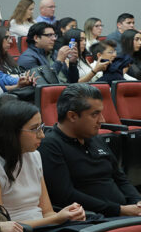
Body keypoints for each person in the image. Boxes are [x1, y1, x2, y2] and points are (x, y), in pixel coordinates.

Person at [0, 101, 86, 227]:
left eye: (41, 127)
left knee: (90, 225)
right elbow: (1, 225)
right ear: (12, 132)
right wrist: (57, 219)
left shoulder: (34, 155)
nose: (42, 135)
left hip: (44, 227)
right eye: (34, 129)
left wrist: (68, 215)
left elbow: (47, 212)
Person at [38, 84, 141, 217]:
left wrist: (137, 202)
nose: (102, 120)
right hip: (93, 219)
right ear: (72, 116)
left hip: (123, 213)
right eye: (95, 114)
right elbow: (65, 196)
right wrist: (119, 210)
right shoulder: (50, 146)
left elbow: (120, 178)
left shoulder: (94, 138)